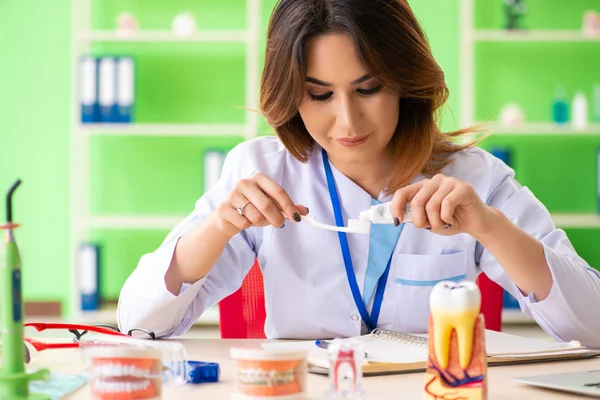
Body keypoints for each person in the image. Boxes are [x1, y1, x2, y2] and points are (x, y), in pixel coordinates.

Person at [117, 0, 600, 345]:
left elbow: (593, 324)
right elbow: (137, 321)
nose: (347, 121)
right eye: (320, 95)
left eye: (368, 89)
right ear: (290, 94)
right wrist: (219, 227)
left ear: (405, 85)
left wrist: (489, 227)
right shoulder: (259, 169)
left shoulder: (475, 178)